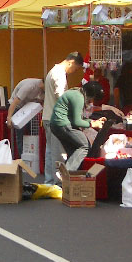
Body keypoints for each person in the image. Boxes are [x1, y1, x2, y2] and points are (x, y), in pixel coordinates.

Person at [42, 52, 84, 184]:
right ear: (71, 62)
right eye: (75, 68)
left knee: (50, 152)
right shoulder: (60, 74)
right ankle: (57, 183)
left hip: (48, 116)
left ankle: (49, 181)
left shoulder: (52, 71)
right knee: (58, 153)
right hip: (56, 119)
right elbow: (61, 96)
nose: (74, 71)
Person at [50, 81, 107, 172]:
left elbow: (78, 118)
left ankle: (68, 180)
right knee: (85, 145)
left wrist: (93, 121)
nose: (91, 102)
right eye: (93, 99)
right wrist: (92, 124)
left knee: (73, 150)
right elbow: (77, 121)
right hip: (63, 124)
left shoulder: (76, 93)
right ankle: (66, 174)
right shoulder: (79, 98)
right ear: (90, 95)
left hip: (57, 124)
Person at [6, 77, 44, 156]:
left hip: (29, 107)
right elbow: (14, 102)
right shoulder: (29, 86)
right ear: (42, 84)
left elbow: (41, 101)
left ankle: (34, 155)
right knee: (20, 133)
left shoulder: (43, 90)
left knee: (34, 131)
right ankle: (22, 157)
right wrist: (9, 117)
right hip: (17, 106)